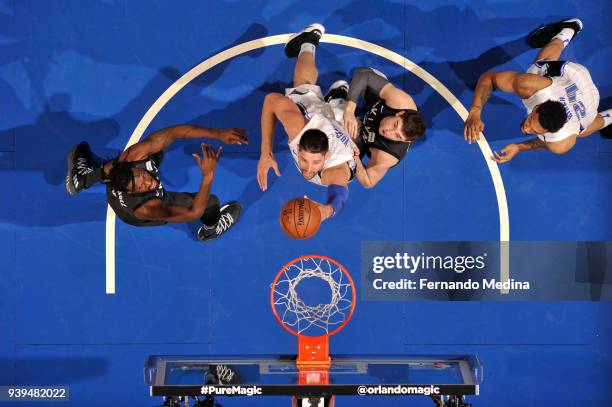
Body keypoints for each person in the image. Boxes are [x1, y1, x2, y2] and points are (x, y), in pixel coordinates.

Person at [464, 18, 612, 163]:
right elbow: (489, 78)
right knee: (538, 67)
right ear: (537, 107)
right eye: (530, 122)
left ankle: (610, 117)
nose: (527, 129)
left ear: (551, 132)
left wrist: (518, 147)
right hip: (573, 74)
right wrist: (475, 111)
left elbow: (553, 140)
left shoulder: (561, 141)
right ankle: (569, 28)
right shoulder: (530, 87)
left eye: (535, 131)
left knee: (584, 129)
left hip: (589, 102)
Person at [65, 125, 247, 242]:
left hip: (118, 176)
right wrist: (208, 175)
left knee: (149, 153)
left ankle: (83, 178)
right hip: (135, 214)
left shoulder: (132, 156)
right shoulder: (147, 208)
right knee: (210, 203)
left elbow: (174, 133)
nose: (148, 182)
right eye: (141, 187)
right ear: (133, 193)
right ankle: (210, 230)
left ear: (133, 167)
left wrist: (218, 133)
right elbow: (194, 213)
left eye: (142, 176)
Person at [257, 23, 356, 220]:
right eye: (304, 159)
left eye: (315, 162)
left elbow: (339, 195)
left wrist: (326, 211)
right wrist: (265, 153)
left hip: (337, 129)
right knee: (303, 86)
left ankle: (337, 97)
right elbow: (270, 101)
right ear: (298, 147)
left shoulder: (335, 168)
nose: (308, 168)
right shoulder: (296, 125)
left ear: (327, 155)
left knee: (347, 124)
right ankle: (309, 40)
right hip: (318, 116)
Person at [343, 67, 426, 188]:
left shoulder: (386, 156)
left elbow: (368, 181)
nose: (388, 132)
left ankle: (338, 94)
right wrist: (349, 111)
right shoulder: (401, 102)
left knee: (344, 169)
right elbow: (363, 74)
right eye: (395, 125)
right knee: (365, 75)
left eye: (397, 136)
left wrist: (355, 157)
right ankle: (380, 87)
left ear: (405, 141)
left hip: (365, 139)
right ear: (400, 113)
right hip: (376, 102)